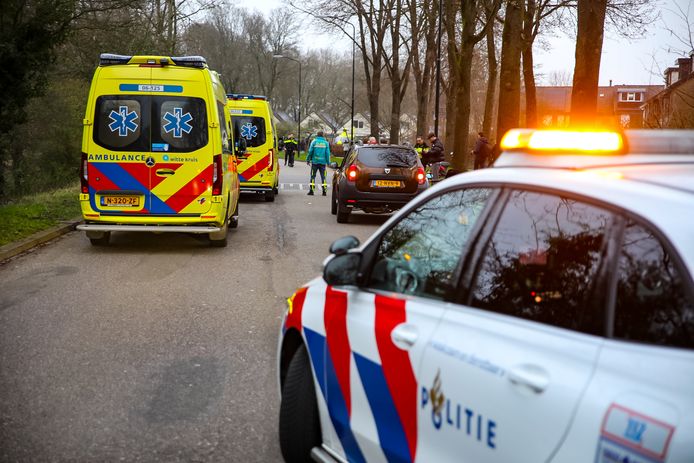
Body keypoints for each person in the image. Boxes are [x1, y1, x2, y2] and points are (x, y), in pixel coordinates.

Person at [306, 131, 331, 196]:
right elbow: (327, 153)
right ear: (323, 135)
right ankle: (324, 191)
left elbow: (310, 151)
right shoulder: (326, 143)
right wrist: (328, 162)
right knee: (323, 177)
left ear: (317, 135)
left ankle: (311, 191)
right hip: (323, 163)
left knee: (312, 176)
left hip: (315, 162)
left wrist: (308, 159)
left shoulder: (314, 142)